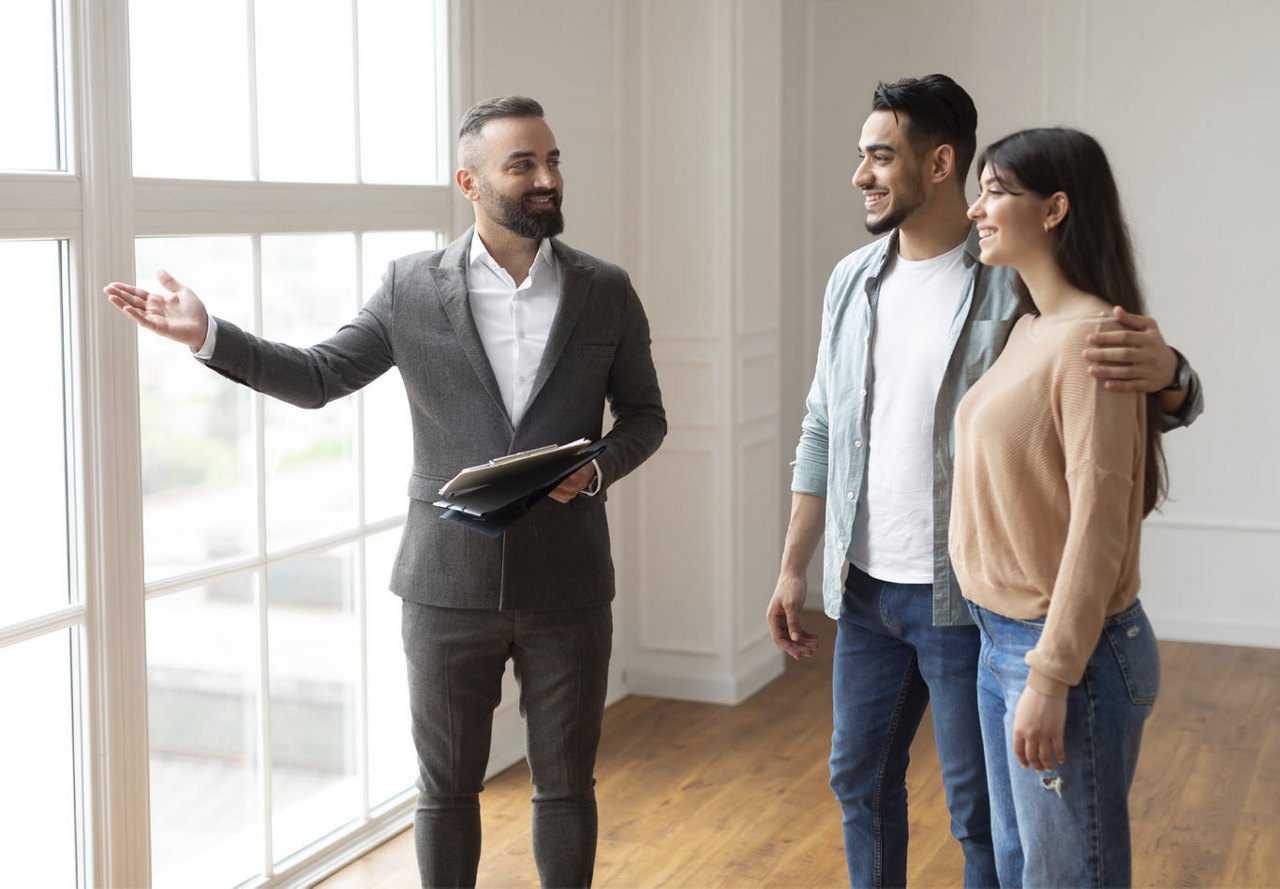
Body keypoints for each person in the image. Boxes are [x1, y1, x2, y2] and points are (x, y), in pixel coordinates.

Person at [105, 95, 665, 888]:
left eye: (553, 160)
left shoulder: (604, 288)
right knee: (445, 790)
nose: (548, 178)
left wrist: (599, 466)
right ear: (469, 183)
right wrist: (208, 334)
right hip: (443, 587)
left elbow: (645, 415)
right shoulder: (409, 287)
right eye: (524, 164)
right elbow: (317, 374)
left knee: (567, 787)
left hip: (568, 582)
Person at [766, 75, 1201, 888]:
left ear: (939, 163)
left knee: (983, 820)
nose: (861, 174)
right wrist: (796, 563)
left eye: (878, 156)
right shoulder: (850, 281)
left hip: (964, 599)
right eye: (860, 156)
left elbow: (1112, 397)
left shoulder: (1016, 280)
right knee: (858, 783)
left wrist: (1172, 372)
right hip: (864, 587)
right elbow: (821, 425)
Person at [952, 127, 1165, 887]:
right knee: (1021, 867)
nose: (976, 208)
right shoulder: (1028, 328)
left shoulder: (1093, 341)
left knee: (1067, 877)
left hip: (1063, 655)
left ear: (1055, 209)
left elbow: (1100, 525)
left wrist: (1049, 675)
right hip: (998, 639)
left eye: (996, 191)